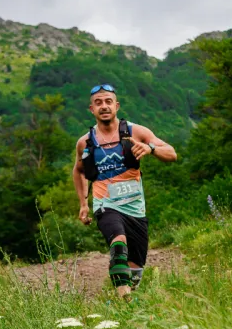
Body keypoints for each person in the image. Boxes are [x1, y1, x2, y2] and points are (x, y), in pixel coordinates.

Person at [72, 84, 177, 300]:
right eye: (98, 103)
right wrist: (83, 203)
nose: (104, 106)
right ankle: (125, 302)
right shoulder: (85, 142)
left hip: (135, 208)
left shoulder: (135, 132)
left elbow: (172, 153)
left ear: (116, 106)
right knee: (118, 243)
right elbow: (79, 170)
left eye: (108, 101)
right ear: (91, 109)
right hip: (105, 205)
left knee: (135, 272)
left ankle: (126, 295)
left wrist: (150, 149)